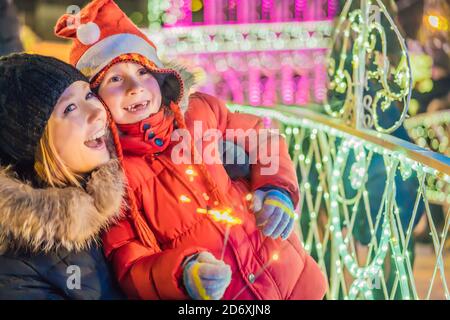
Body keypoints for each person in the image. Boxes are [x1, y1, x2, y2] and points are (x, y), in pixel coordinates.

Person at [55, 0, 327, 300]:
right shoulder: (111, 178)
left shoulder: (200, 112)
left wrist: (277, 189)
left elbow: (263, 140)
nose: (135, 87)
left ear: (160, 75)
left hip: (295, 281)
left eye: (144, 72)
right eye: (115, 79)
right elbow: (129, 261)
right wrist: (183, 273)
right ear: (95, 97)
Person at [0, 53, 124, 299]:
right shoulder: (15, 270)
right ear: (33, 143)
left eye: (89, 94)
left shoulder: (127, 184)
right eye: (70, 108)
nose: (97, 112)